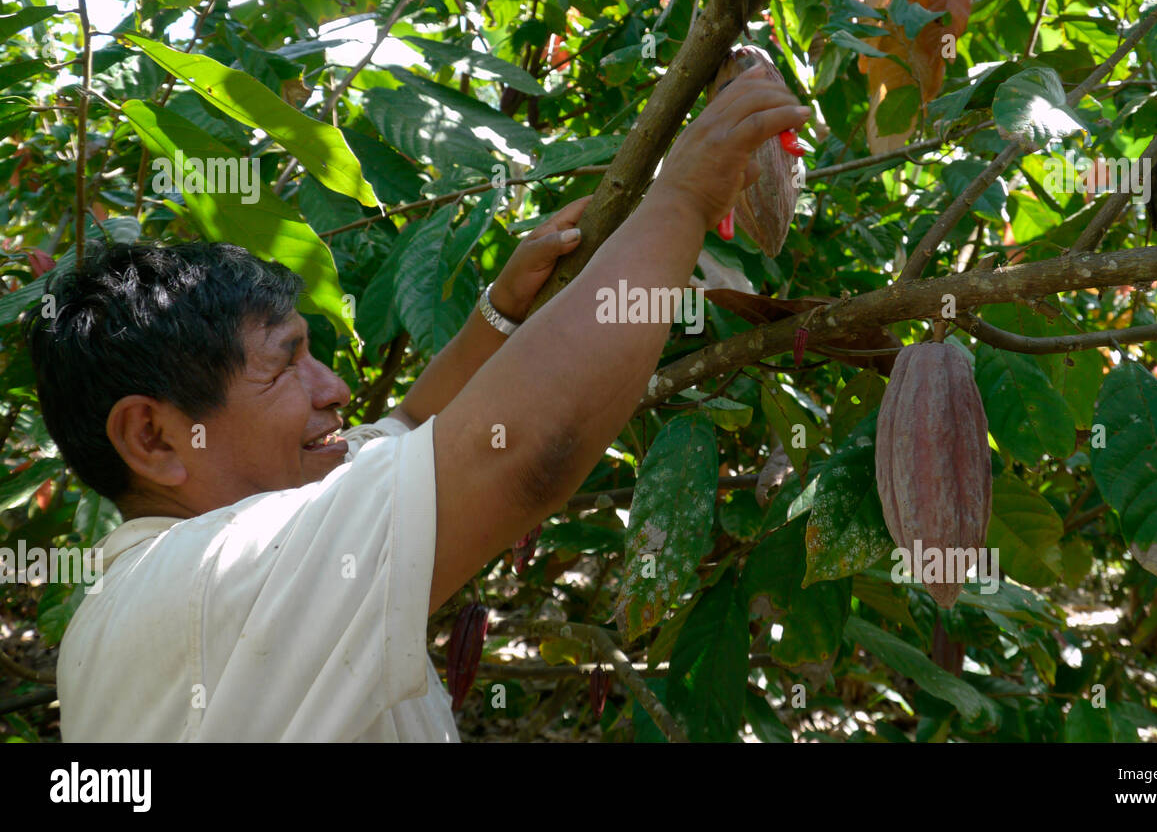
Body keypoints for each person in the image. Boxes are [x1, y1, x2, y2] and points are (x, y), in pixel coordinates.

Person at [24, 64, 809, 740]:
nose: (333, 389)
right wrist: (680, 200)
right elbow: (517, 452)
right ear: (155, 438)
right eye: (286, 366)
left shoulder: (187, 567)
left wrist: (499, 312)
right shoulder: (211, 581)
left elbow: (405, 429)